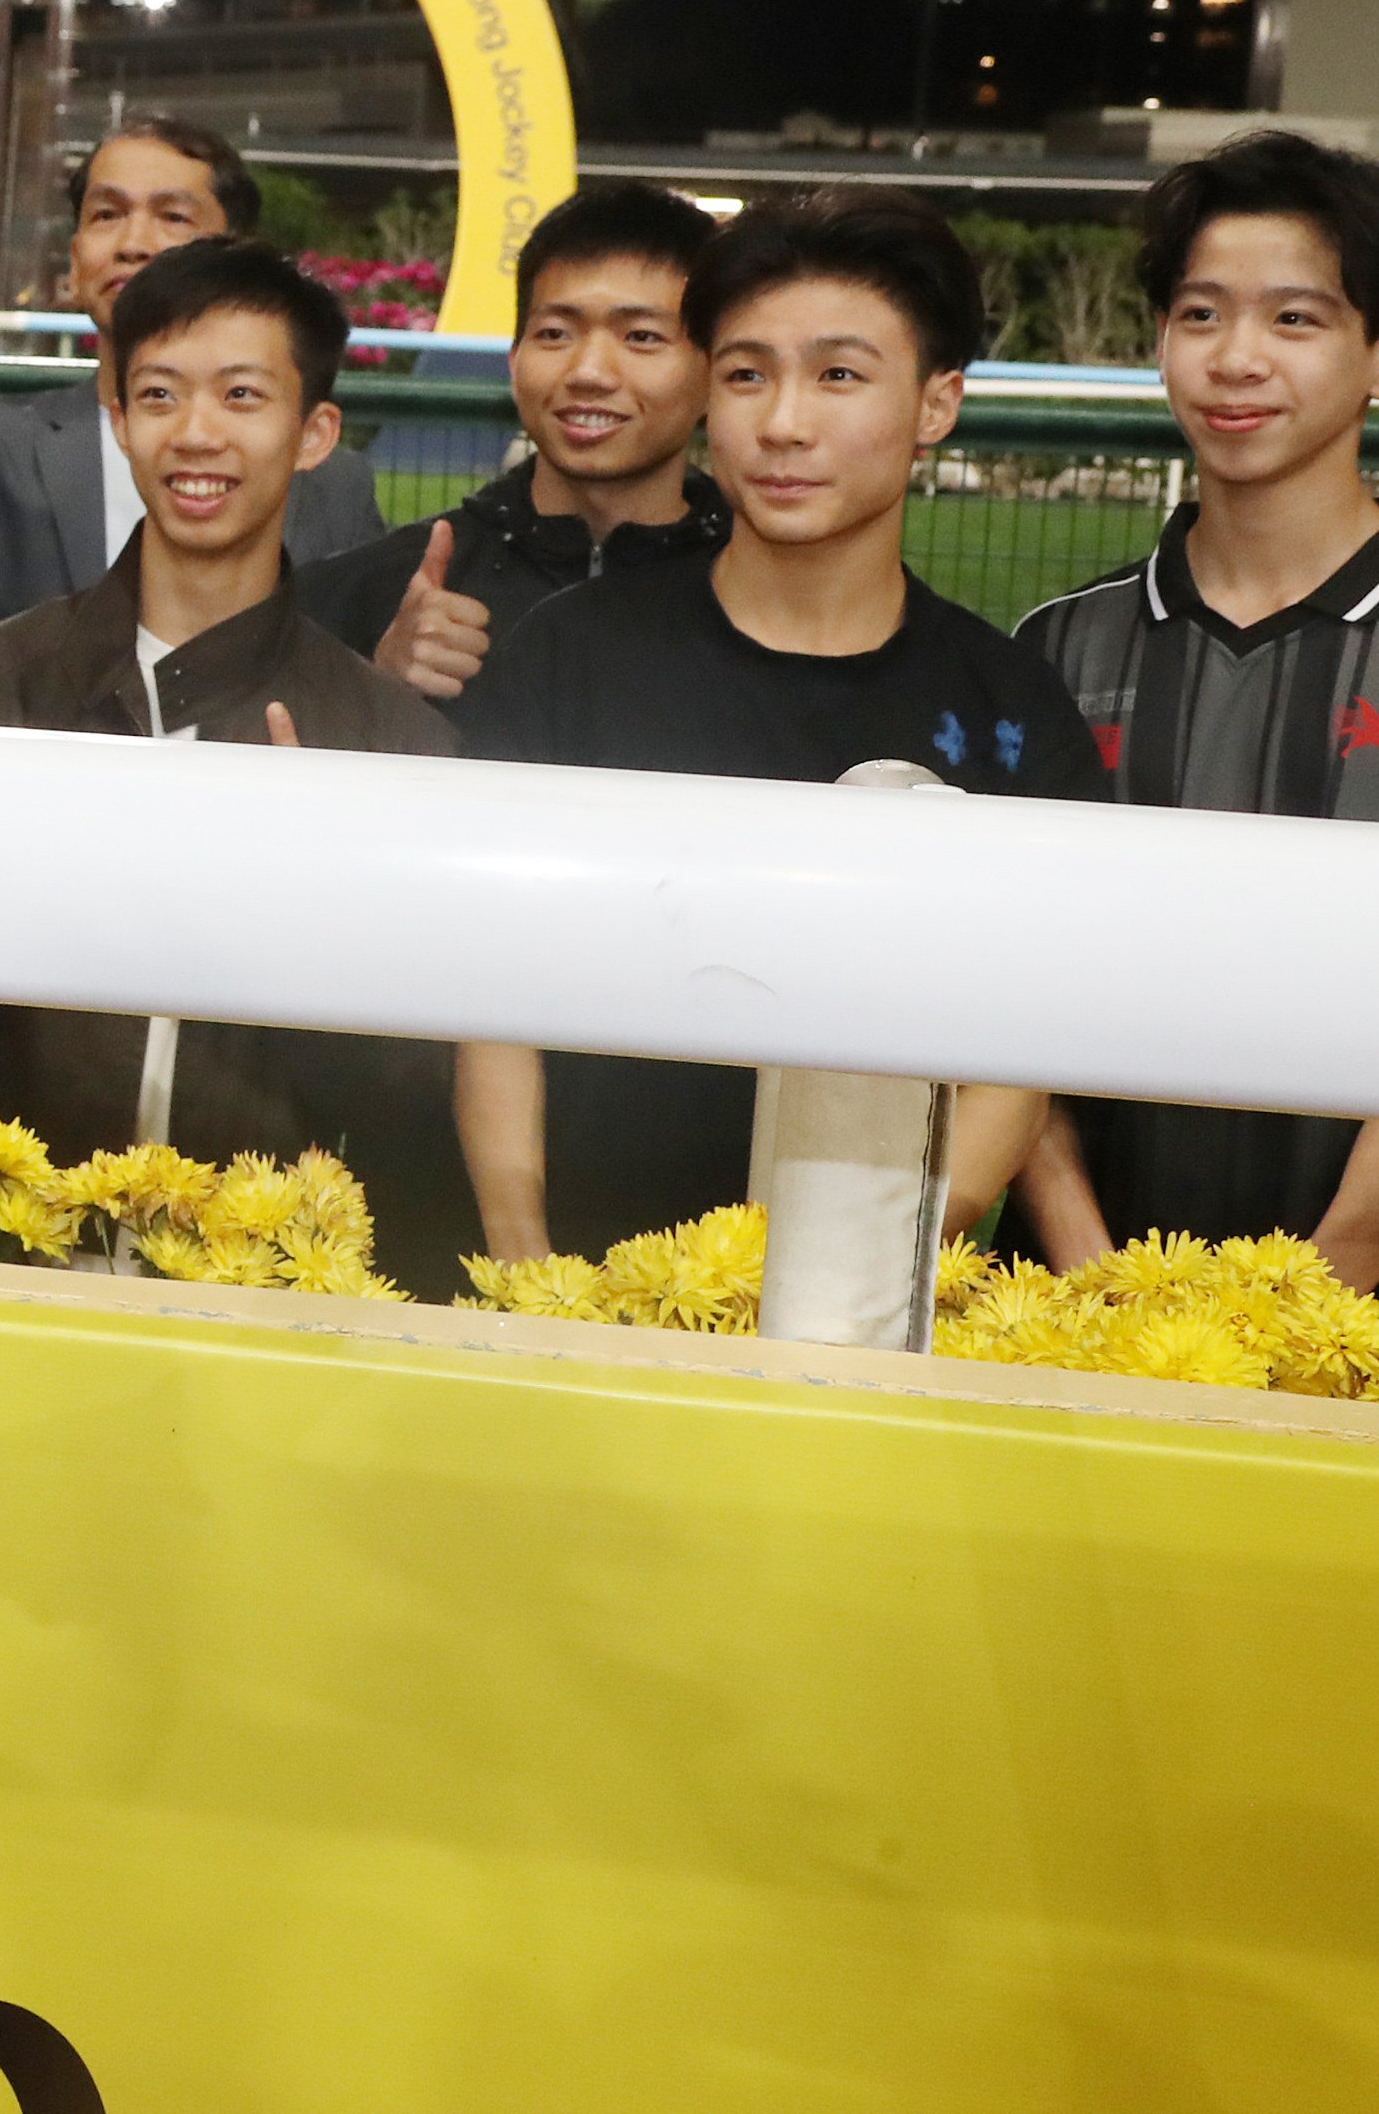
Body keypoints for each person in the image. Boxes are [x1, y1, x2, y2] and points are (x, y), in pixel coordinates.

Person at [455, 188, 1105, 1260]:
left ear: (937, 402)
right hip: (583, 1286)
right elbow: (492, 988)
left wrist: (863, 1275)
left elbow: (1022, 1048)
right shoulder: (572, 656)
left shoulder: (1008, 710)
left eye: (839, 375)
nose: (783, 423)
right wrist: (525, 1258)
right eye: (747, 374)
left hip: (866, 1302)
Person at [0, 238, 469, 1280]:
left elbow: (411, 1090)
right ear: (118, 418)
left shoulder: (388, 741)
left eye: (242, 395)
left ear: (315, 434)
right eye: (161, 395)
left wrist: (320, 914)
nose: (197, 433)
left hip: (264, 1296)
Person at [1011, 132, 1379, 1285]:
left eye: (1295, 318)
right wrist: (1092, 1270)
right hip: (1076, 1304)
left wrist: (1329, 1275)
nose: (1237, 358)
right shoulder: (1054, 650)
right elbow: (997, 980)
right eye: (1201, 314)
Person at [0, 124, 385, 649]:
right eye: (107, 214)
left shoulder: (331, 486)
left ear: (235, 251)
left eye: (172, 215)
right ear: (76, 256)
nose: (134, 244)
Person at [295, 181, 725, 704]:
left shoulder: (771, 595)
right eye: (555, 333)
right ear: (515, 360)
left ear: (717, 371)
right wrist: (375, 689)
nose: (588, 372)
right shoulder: (358, 596)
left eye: (641, 337)